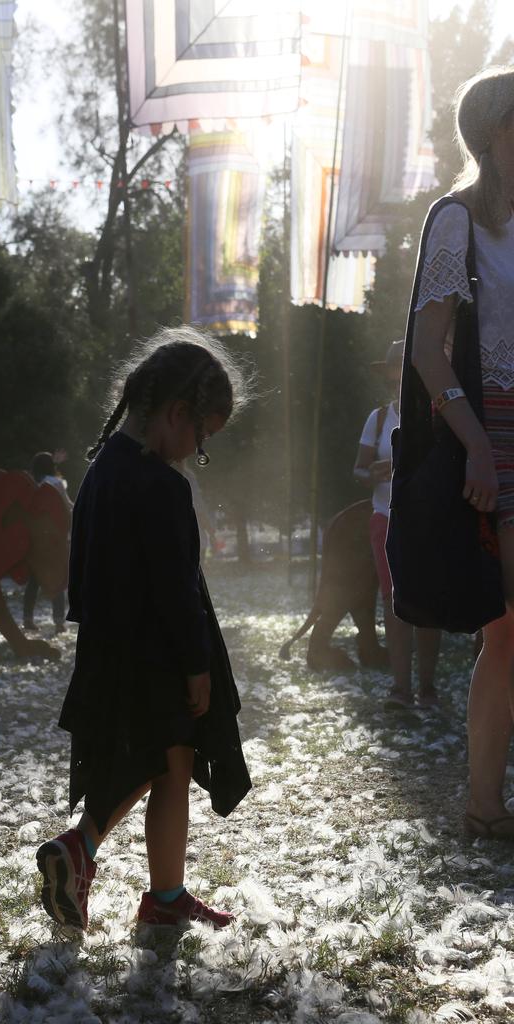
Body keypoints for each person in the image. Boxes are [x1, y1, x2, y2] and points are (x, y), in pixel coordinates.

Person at [36, 326, 252, 931]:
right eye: (201, 436)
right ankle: (81, 849)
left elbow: (86, 572)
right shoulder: (160, 484)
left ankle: (164, 896)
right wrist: (196, 665)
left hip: (112, 645)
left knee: (168, 765)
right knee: (154, 762)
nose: (195, 451)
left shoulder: (102, 467)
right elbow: (175, 587)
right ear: (177, 413)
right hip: (158, 655)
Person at [403, 66, 514, 840]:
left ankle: (484, 804)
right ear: (491, 134)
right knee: (505, 630)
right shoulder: (458, 220)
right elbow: (425, 350)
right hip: (490, 431)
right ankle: (482, 804)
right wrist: (475, 445)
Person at [354, 340, 441, 709]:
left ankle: (427, 689)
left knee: (429, 602)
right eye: (395, 371)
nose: (400, 377)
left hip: (428, 519)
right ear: (390, 375)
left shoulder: (438, 415)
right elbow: (358, 470)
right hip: (386, 518)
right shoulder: (377, 420)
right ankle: (400, 689)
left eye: (406, 370)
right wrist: (372, 472)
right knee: (393, 602)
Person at [23, 451, 71, 633]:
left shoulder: (30, 485)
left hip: (34, 541)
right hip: (52, 540)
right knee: (56, 577)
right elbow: (66, 508)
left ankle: (27, 619)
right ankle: (58, 622)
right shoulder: (55, 484)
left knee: (34, 581)